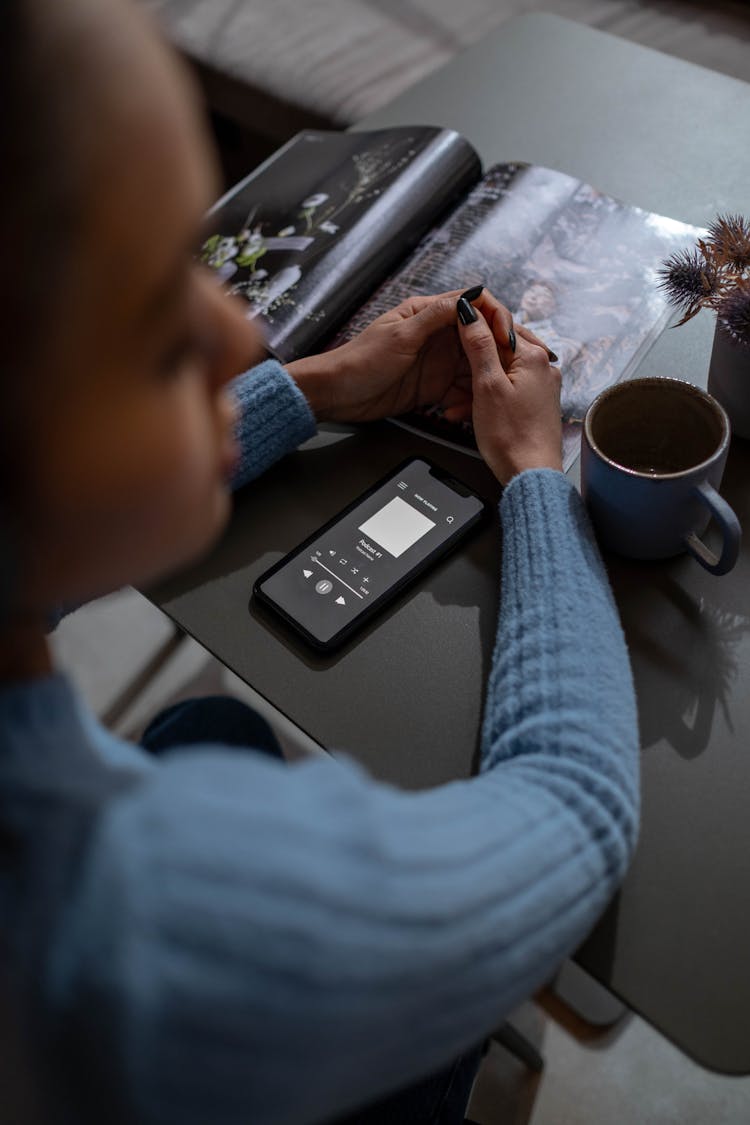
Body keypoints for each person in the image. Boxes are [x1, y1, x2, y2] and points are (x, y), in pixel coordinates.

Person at [0, 1, 639, 1123]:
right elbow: (579, 808)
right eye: (152, 307)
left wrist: (318, 387)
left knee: (217, 734)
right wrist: (538, 479)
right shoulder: (168, 922)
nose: (238, 334)